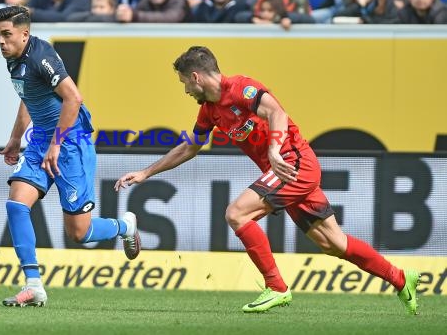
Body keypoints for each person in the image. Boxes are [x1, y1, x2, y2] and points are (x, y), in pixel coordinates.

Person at [114, 46, 420, 315]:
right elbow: (190, 146)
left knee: (236, 213)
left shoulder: (241, 88)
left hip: (294, 163)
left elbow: (276, 111)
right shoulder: (210, 111)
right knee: (333, 243)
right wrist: (145, 173)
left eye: (184, 83)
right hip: (285, 171)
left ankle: (276, 287)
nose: (185, 91)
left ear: (195, 77)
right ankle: (401, 278)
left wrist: (274, 148)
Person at [0, 5, 140, 307]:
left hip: (70, 143)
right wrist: (15, 137)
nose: (0, 41)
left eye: (6, 35)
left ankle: (125, 226)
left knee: (79, 232)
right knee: (16, 204)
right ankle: (33, 285)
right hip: (41, 142)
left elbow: (74, 97)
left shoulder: (39, 56)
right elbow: (28, 97)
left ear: (25, 33)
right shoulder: (15, 59)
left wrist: (56, 144)